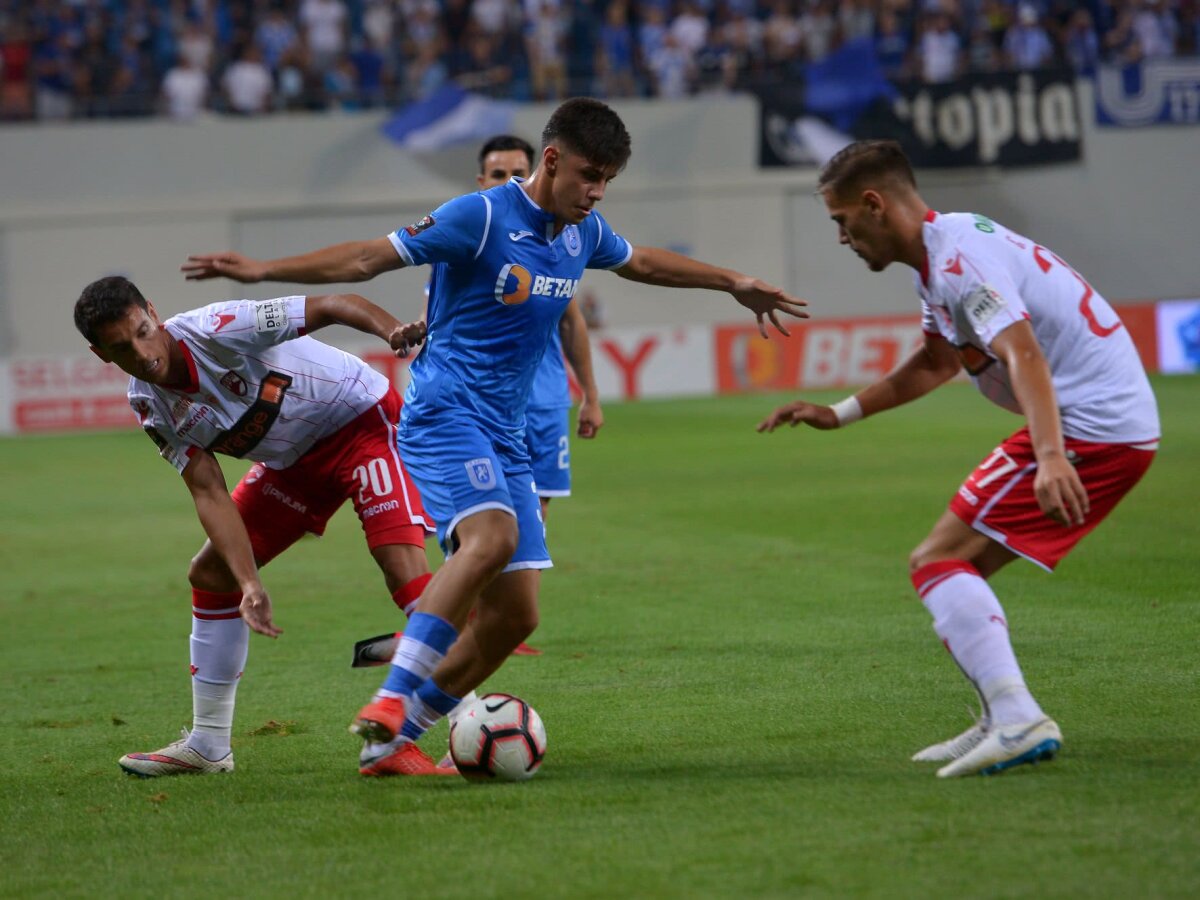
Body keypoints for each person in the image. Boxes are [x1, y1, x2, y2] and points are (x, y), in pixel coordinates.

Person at [181, 97, 808, 776]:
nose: (596, 192)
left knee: (516, 617)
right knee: (493, 539)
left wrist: (734, 282)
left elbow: (645, 263)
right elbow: (367, 259)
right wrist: (261, 270)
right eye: (589, 176)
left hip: (505, 432)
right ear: (552, 160)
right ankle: (391, 699)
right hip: (444, 412)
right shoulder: (478, 217)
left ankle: (392, 742)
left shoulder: (583, 232)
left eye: (608, 182)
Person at [759, 140, 1159, 778]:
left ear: (873, 204)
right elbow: (938, 361)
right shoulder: (945, 252)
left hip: (1087, 427)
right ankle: (1002, 715)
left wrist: (1052, 455)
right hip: (1106, 425)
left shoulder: (959, 263)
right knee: (955, 567)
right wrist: (838, 413)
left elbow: (1023, 352)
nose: (841, 237)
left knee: (937, 560)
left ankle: (1017, 715)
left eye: (840, 221)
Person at [73, 276, 449, 778]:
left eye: (143, 331)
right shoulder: (150, 404)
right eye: (122, 347)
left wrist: (391, 330)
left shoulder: (219, 328)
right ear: (101, 354)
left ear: (153, 312)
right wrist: (249, 581)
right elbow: (208, 491)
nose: (142, 353)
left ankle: (465, 720)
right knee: (213, 574)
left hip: (362, 419)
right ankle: (208, 745)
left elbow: (336, 302)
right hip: (292, 465)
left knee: (400, 564)